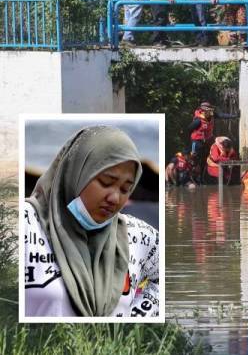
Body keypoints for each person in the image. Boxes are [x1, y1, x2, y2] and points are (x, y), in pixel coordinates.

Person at [23, 126, 159, 318]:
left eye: (125, 189)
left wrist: (138, 318)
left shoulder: (138, 235)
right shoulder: (25, 225)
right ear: (76, 173)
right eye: (105, 182)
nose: (114, 198)